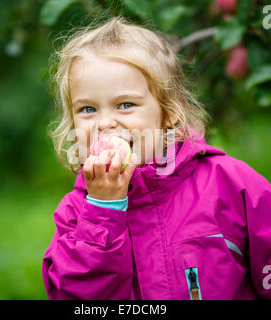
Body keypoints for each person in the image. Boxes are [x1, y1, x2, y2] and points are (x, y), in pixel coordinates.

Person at [42, 16, 271, 300]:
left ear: (168, 111)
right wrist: (103, 211)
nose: (104, 123)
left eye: (125, 105)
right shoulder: (77, 212)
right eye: (88, 109)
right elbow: (78, 297)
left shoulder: (232, 185)